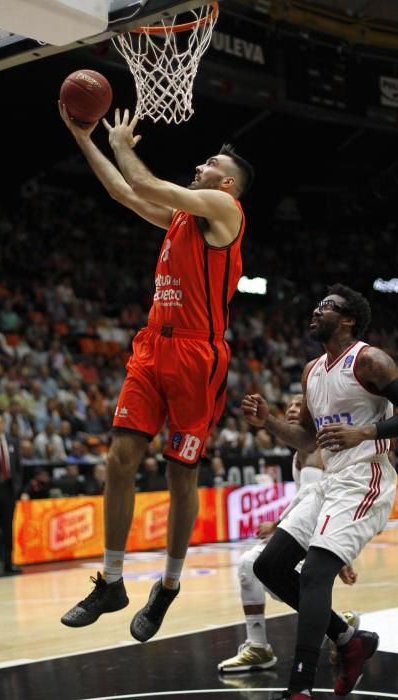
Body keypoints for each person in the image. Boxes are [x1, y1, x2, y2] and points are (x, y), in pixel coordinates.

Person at [59, 102, 254, 641]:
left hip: (198, 355)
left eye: (211, 162)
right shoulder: (180, 221)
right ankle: (113, 581)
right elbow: (127, 192)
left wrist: (121, 142)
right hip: (152, 348)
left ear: (229, 185)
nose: (201, 166)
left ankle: (167, 585)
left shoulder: (223, 210)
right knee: (119, 460)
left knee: (179, 474)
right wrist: (84, 137)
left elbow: (146, 179)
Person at [242, 284, 398, 699]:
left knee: (313, 573)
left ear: (348, 320)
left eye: (327, 307)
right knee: (269, 567)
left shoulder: (370, 360)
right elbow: (309, 440)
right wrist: (269, 422)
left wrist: (364, 431)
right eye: (316, 304)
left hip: (366, 477)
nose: (316, 310)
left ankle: (299, 687)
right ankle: (350, 640)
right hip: (330, 480)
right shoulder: (311, 370)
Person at [218, 394, 359, 674]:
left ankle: (338, 628)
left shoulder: (323, 448)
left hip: (322, 535)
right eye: (290, 405)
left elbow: (325, 498)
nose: (293, 409)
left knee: (258, 568)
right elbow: (306, 499)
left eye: (299, 405)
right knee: (257, 569)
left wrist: (339, 553)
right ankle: (335, 626)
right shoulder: (300, 452)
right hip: (306, 531)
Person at [0, 412, 22, 575]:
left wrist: (18, 487)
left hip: (9, 490)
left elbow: (19, 467)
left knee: (8, 527)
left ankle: (9, 563)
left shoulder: (13, 442)